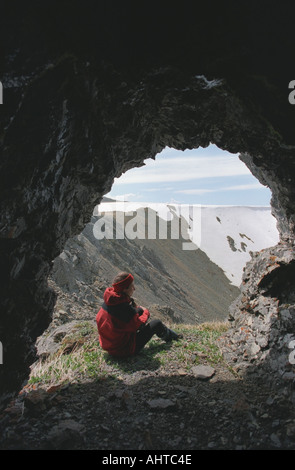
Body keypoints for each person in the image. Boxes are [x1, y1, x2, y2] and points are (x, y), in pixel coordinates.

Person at [96, 271, 183, 357]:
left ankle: (172, 336)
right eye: (132, 286)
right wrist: (146, 312)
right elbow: (138, 325)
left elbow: (124, 318)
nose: (134, 288)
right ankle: (174, 337)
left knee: (139, 310)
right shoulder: (125, 308)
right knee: (157, 324)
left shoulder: (109, 302)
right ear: (125, 289)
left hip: (109, 345)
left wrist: (139, 310)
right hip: (123, 350)